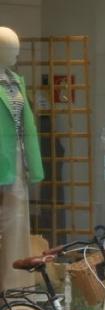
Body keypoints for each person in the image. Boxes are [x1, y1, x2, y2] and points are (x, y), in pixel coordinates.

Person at [0, 26, 44, 292]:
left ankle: (15, 289)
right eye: (11, 50)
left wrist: (32, 164)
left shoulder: (16, 80)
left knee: (16, 225)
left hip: (15, 160)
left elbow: (27, 126)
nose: (16, 55)